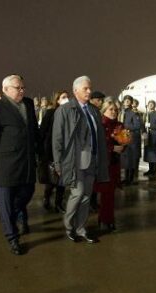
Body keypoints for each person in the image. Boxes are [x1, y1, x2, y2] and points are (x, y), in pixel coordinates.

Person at [0, 74, 39, 255]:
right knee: (5, 203)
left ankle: (12, 217)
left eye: (23, 88)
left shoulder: (28, 105)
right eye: (17, 88)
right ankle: (12, 238)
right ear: (5, 90)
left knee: (27, 193)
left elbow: (33, 130)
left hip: (27, 162)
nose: (21, 91)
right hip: (4, 165)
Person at [52, 76, 109, 244]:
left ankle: (81, 228)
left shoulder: (93, 110)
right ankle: (69, 226)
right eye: (85, 89)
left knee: (86, 196)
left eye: (90, 88)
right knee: (77, 194)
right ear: (75, 90)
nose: (89, 91)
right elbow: (57, 139)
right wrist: (58, 163)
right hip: (74, 160)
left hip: (92, 159)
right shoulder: (65, 110)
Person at [93, 98, 125, 231]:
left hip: (114, 164)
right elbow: (96, 144)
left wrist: (124, 143)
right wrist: (112, 148)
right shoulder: (99, 124)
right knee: (103, 194)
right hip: (101, 164)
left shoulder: (119, 125)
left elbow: (123, 144)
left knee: (110, 195)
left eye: (116, 110)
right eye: (111, 109)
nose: (114, 112)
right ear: (104, 110)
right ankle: (103, 220)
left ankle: (107, 220)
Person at [39, 90, 68, 213]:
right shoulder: (51, 113)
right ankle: (47, 197)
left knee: (62, 180)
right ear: (57, 100)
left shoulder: (69, 113)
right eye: (63, 97)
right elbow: (42, 132)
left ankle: (58, 203)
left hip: (65, 151)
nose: (66, 99)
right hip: (51, 151)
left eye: (67, 97)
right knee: (52, 179)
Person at [121, 97, 144, 184]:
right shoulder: (122, 112)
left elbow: (138, 126)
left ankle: (131, 179)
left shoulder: (134, 113)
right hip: (124, 137)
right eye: (125, 100)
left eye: (128, 100)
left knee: (132, 158)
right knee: (126, 158)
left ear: (131, 102)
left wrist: (125, 127)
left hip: (132, 138)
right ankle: (126, 178)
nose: (126, 102)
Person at [143, 100, 156, 177]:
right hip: (147, 135)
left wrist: (150, 125)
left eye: (152, 104)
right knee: (149, 153)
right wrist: (143, 131)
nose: (150, 105)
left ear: (154, 105)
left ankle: (154, 170)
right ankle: (150, 169)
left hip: (154, 135)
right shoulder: (146, 114)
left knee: (154, 154)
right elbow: (143, 125)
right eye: (149, 104)